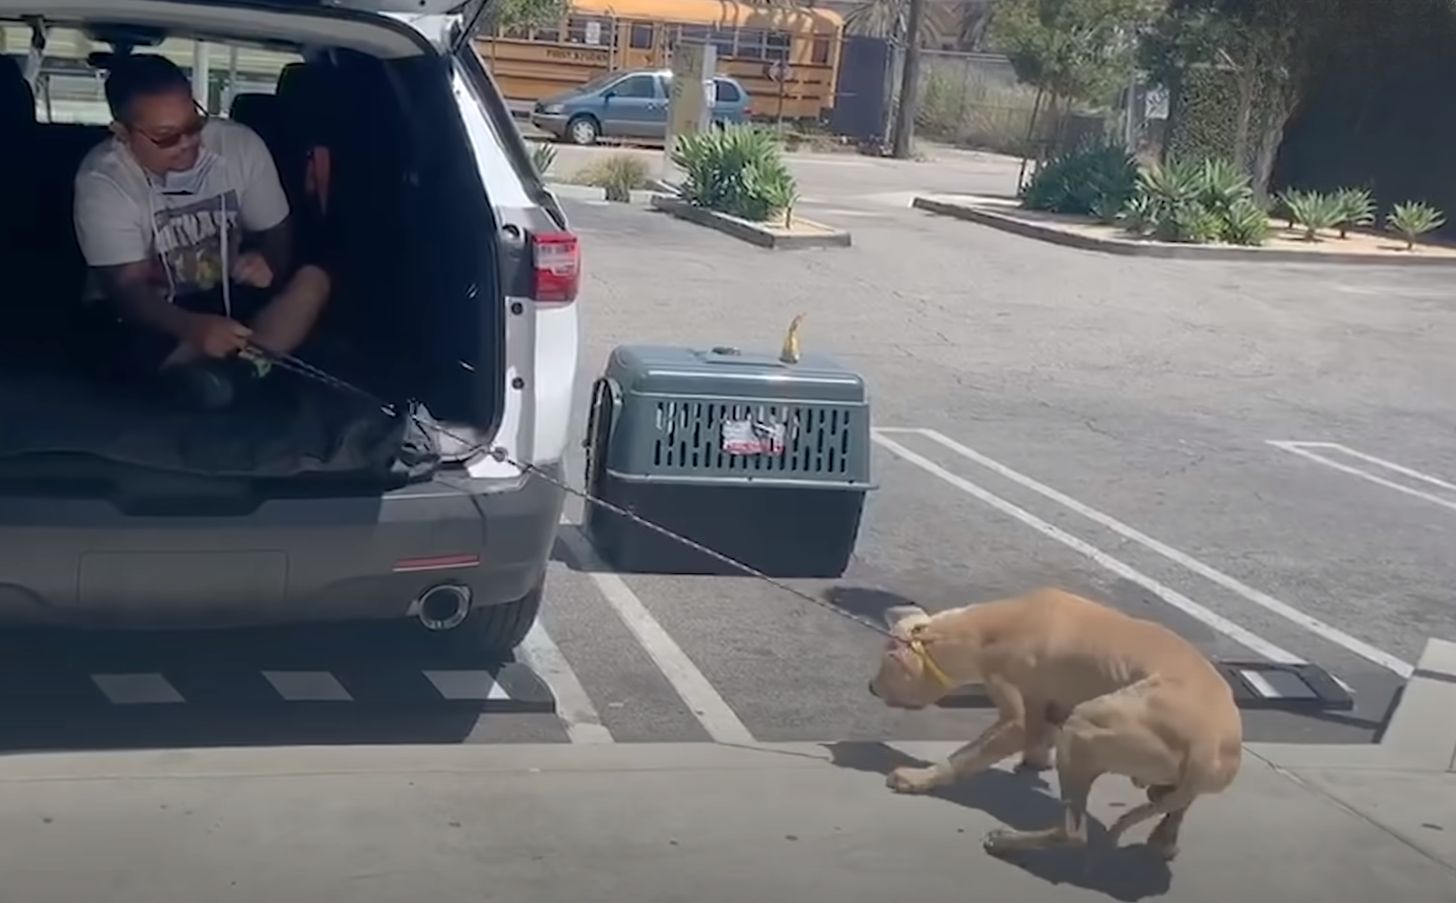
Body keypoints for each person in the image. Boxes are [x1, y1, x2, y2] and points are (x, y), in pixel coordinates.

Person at [74, 54, 330, 408]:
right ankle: (220, 374)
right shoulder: (103, 180)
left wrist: (268, 261)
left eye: (193, 124)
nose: (186, 143)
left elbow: (277, 230)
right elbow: (127, 290)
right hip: (152, 310)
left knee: (313, 280)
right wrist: (193, 328)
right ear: (122, 133)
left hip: (227, 292)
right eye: (165, 137)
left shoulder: (238, 145)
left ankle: (235, 377)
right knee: (120, 344)